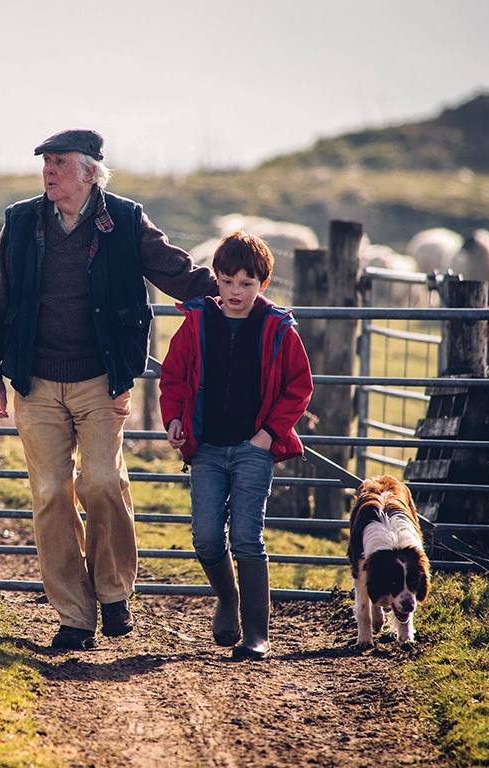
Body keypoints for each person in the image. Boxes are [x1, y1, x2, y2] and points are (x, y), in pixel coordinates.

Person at [0, 129, 218, 650]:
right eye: (45, 162)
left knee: (104, 481)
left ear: (89, 172)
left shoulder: (125, 221)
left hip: (100, 381)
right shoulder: (21, 221)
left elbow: (177, 272)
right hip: (36, 382)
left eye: (59, 162)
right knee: (49, 494)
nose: (48, 171)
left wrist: (235, 294)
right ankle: (74, 615)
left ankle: (113, 593)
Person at [158, 231, 313, 660]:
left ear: (263, 284)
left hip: (253, 448)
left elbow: (298, 387)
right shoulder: (197, 322)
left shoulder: (278, 328)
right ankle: (228, 599)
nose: (235, 291)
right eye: (227, 281)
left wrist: (268, 436)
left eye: (246, 283)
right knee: (207, 538)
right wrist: (174, 420)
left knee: (247, 537)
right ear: (217, 279)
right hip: (206, 448)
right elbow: (173, 378)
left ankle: (257, 633)